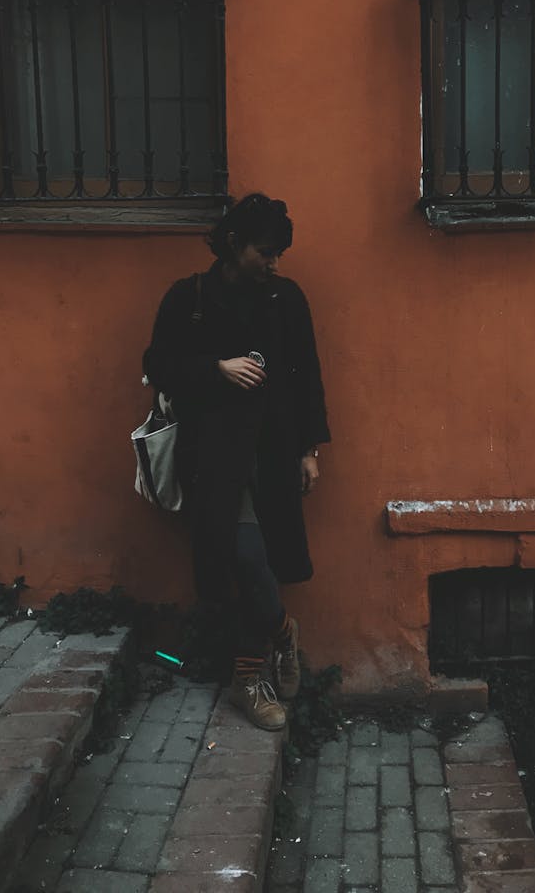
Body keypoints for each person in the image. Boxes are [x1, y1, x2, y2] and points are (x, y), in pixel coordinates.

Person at [143, 193, 330, 731]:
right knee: (244, 560)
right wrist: (216, 368)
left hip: (272, 452)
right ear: (232, 245)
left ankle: (247, 680)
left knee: (260, 565)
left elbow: (306, 376)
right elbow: (157, 364)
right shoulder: (189, 297)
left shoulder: (286, 299)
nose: (274, 263)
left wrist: (308, 450)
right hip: (214, 454)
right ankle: (282, 632)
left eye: (278, 254)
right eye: (264, 252)